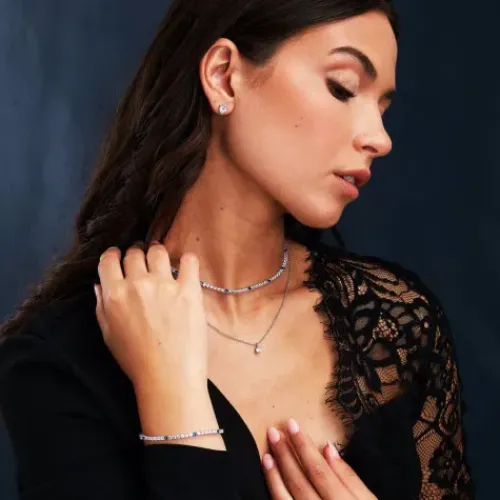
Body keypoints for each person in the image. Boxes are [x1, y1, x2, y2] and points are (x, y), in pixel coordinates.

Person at [0, 0, 475, 498]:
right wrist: (171, 394)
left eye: (382, 108)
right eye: (343, 87)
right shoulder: (58, 359)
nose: (380, 138)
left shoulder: (394, 322)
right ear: (224, 76)